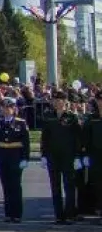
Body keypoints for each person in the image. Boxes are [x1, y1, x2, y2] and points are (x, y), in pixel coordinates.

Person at [42, 95, 82, 224]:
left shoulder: (72, 117)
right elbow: (45, 137)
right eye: (55, 100)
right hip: (53, 156)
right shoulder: (49, 116)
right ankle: (58, 215)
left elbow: (77, 138)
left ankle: (70, 214)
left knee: (69, 185)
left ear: (65, 102)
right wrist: (44, 155)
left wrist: (77, 156)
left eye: (60, 100)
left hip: (68, 156)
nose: (57, 102)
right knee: (55, 186)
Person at [0, 98, 31, 223]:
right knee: (6, 186)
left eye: (9, 108)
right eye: (4, 108)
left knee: (15, 186)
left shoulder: (21, 123)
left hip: (16, 157)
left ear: (14, 109)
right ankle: (8, 213)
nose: (6, 110)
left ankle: (17, 214)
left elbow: (26, 143)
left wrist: (25, 158)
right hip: (3, 157)